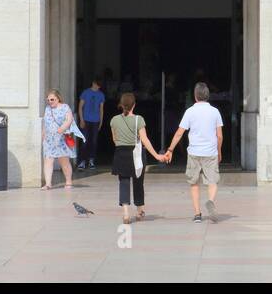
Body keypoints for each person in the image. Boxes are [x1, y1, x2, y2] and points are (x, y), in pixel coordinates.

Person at [164, 82, 224, 224]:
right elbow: (219, 135)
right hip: (210, 152)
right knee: (213, 181)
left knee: (194, 183)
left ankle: (197, 214)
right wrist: (219, 151)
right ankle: (210, 201)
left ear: (195, 96)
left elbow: (179, 133)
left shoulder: (190, 111)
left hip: (194, 152)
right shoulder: (215, 112)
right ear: (207, 95)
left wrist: (170, 149)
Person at [109, 92, 165, 224]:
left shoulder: (114, 120)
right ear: (134, 105)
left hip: (120, 153)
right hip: (136, 153)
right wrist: (157, 155)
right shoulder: (138, 119)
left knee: (124, 183)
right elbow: (145, 140)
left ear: (121, 105)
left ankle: (126, 214)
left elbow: (115, 139)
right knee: (138, 182)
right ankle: (139, 211)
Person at [42, 90, 78, 189]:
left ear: (58, 98)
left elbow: (69, 119)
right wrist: (43, 134)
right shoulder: (47, 109)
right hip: (49, 139)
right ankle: (48, 184)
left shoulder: (65, 107)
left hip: (61, 139)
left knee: (64, 161)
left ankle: (68, 182)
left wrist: (62, 129)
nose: (50, 101)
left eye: (52, 99)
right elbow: (45, 122)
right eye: (48, 100)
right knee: (48, 161)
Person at [77, 79, 105, 171]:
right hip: (86, 120)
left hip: (95, 121)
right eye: (97, 85)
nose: (98, 87)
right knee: (84, 141)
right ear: (93, 83)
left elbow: (101, 109)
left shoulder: (101, 95)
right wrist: (81, 119)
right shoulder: (85, 92)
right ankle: (82, 161)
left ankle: (91, 161)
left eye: (99, 86)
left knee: (94, 142)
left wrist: (101, 121)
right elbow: (80, 107)